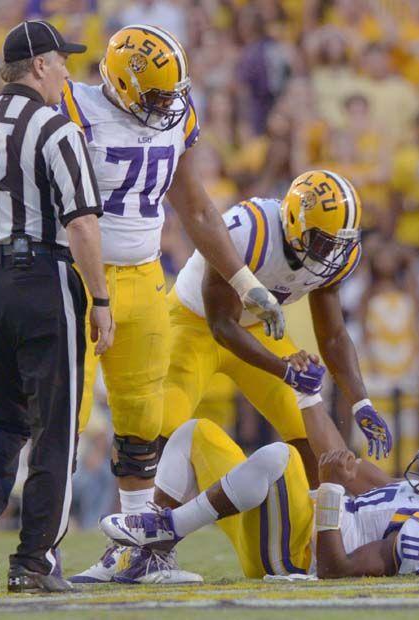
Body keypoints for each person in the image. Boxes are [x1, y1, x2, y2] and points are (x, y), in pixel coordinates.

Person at [83, 169, 393, 584]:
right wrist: (284, 369)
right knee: (161, 429)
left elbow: (333, 335)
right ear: (297, 225)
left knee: (313, 430)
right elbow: (221, 326)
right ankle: (136, 551)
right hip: (195, 323)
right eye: (323, 242)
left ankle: (321, 539)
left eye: (340, 244)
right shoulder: (249, 230)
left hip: (258, 329)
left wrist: (361, 401)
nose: (333, 254)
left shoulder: (333, 254)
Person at [60, 25, 284, 584]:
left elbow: (198, 209)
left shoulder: (176, 117)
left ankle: (137, 552)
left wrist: (243, 280)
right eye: (156, 93)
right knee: (65, 418)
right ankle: (42, 550)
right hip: (74, 274)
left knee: (144, 417)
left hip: (143, 275)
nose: (167, 104)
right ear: (119, 81)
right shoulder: (70, 108)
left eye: (171, 93)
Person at [0, 20, 114, 594]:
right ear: (38, 66)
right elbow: (81, 224)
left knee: (2, 418)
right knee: (54, 426)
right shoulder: (56, 130)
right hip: (41, 276)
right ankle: (34, 560)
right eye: (62, 63)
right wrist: (101, 297)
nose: (66, 74)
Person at [98, 376, 419, 581]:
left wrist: (329, 489)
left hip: (294, 554)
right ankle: (148, 560)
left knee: (282, 456)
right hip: (280, 523)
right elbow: (338, 458)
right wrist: (309, 395)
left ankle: (164, 529)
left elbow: (337, 571)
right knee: (195, 433)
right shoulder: (414, 497)